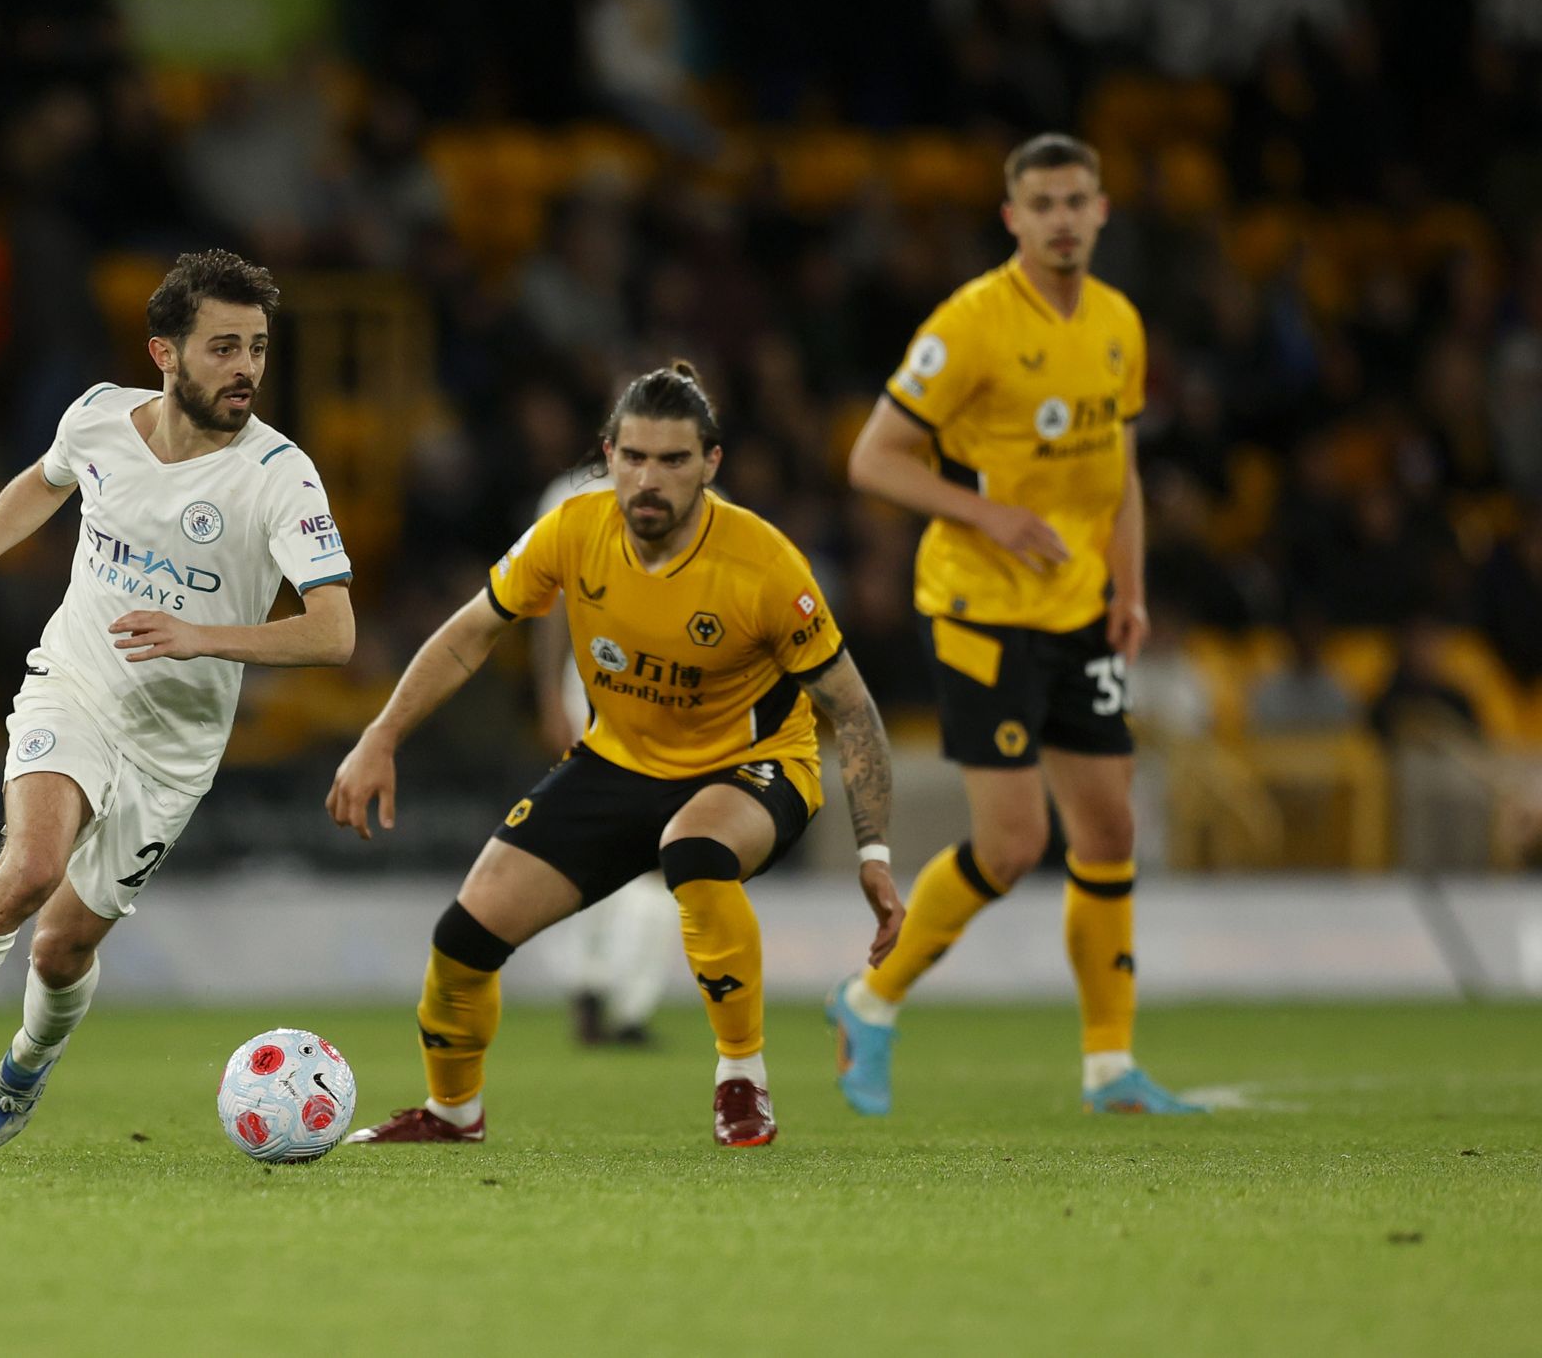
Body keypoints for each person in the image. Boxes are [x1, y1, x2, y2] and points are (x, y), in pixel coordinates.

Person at [0, 250, 355, 1150]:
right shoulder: (96, 417)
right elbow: (42, 484)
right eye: (224, 347)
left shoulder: (281, 475)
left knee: (61, 945)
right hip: (76, 682)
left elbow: (334, 632)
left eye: (259, 348)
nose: (246, 369)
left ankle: (27, 1064)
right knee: (30, 867)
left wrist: (204, 635)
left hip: (177, 746)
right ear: (165, 353)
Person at [329, 362, 903, 1148]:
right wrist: (382, 733)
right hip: (618, 762)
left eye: (673, 460)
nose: (650, 479)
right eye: (634, 457)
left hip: (752, 766)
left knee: (695, 852)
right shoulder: (573, 529)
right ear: (608, 455)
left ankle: (742, 1077)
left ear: (711, 463)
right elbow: (471, 632)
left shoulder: (763, 564)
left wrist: (874, 849)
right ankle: (452, 1113)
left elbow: (855, 707)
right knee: (463, 937)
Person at [840, 133, 1200, 1115]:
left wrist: (1126, 591)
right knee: (1009, 844)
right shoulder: (969, 324)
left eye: (1075, 200)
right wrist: (984, 511)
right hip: (978, 608)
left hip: (1078, 608)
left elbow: (1116, 475)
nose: (1060, 219)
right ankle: (868, 1001)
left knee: (1109, 826)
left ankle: (1108, 1066)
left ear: (1100, 209)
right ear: (1011, 218)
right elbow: (872, 459)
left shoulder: (1118, 323)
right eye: (1040, 204)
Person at [530, 463, 681, 1047]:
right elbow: (547, 599)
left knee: (659, 852)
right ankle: (593, 993)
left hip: (676, 685)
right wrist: (548, 694)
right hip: (593, 679)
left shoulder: (711, 498)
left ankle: (628, 1005)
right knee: (595, 838)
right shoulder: (571, 495)